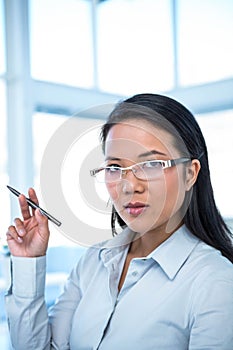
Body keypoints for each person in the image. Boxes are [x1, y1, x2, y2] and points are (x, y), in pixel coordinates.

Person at [5, 93, 233, 349]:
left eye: (151, 164)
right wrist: (29, 261)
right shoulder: (95, 260)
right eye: (115, 167)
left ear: (190, 174)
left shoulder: (215, 283)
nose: (129, 186)